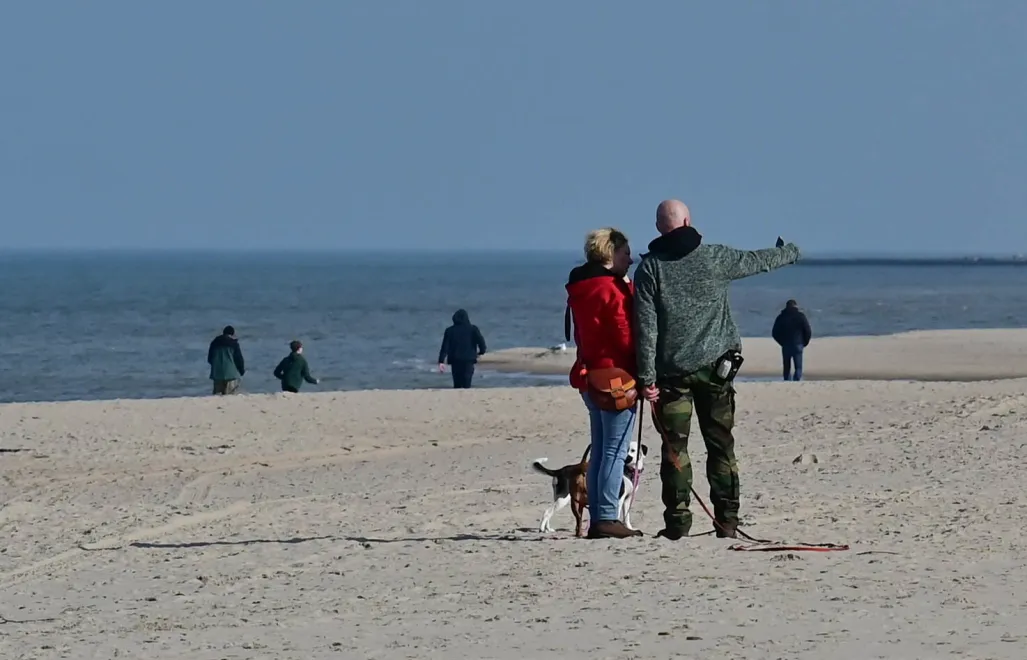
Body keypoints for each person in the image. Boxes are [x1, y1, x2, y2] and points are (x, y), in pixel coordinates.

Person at [633, 200, 801, 540]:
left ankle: (677, 524)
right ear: (688, 221)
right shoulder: (713, 257)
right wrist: (791, 252)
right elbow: (759, 261)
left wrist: (646, 378)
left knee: (675, 450)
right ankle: (727, 521)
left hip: (672, 376)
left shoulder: (650, 269)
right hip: (715, 373)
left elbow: (646, 329)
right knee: (721, 446)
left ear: (658, 228)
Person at [565, 227, 642, 539]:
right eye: (626, 254)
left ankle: (600, 514)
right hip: (615, 377)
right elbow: (625, 334)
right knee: (613, 449)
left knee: (601, 450)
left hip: (589, 373)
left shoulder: (581, 286)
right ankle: (607, 516)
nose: (631, 259)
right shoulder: (612, 289)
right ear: (612, 255)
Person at [437, 309, 487, 388]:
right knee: (467, 382)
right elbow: (481, 343)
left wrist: (441, 361)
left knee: (457, 384)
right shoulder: (473, 329)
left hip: (455, 360)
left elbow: (445, 347)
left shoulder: (449, 331)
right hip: (468, 360)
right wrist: (481, 352)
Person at [772, 299, 812, 381]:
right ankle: (796, 380)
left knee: (786, 366)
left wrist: (781, 342)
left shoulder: (781, 317)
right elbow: (807, 331)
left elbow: (774, 332)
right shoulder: (800, 316)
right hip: (798, 344)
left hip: (786, 344)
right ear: (796, 306)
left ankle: (787, 380)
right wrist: (804, 342)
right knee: (798, 367)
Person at [207, 325, 246, 395]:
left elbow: (210, 359)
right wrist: (242, 371)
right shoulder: (234, 344)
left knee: (217, 395)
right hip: (231, 374)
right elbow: (239, 359)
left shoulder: (214, 343)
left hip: (217, 374)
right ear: (232, 334)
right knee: (230, 395)